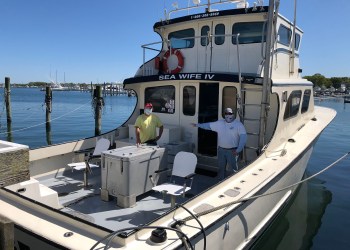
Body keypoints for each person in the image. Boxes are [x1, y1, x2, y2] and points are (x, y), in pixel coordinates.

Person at [192, 108, 247, 179]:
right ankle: (220, 182)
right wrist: (197, 125)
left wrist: (238, 150)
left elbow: (243, 138)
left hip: (233, 151)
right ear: (224, 115)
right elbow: (208, 126)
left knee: (233, 170)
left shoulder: (238, 125)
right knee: (221, 169)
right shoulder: (220, 123)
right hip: (221, 150)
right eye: (226, 113)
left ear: (233, 114)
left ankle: (233, 183)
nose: (228, 115)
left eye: (230, 113)